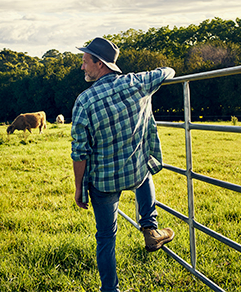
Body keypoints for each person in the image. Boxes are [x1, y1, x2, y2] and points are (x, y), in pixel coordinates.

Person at [70, 37, 176, 292]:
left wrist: (78, 189)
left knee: (106, 237)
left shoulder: (84, 101)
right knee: (146, 170)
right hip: (135, 173)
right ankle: (150, 229)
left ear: (101, 64)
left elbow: (79, 153)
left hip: (103, 182)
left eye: (85, 62)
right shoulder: (138, 82)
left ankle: (110, 290)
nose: (82, 67)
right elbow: (168, 71)